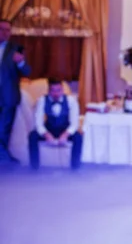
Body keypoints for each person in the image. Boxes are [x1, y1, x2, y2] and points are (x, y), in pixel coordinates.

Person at [28, 79, 82, 170]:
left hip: (64, 128)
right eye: (53, 90)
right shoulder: (42, 100)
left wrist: (66, 134)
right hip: (49, 128)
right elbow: (38, 122)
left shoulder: (71, 100)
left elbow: (74, 123)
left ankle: (75, 167)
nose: (56, 93)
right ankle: (34, 167)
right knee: (32, 136)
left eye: (59, 90)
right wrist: (46, 134)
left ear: (63, 90)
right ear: (48, 91)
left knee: (78, 137)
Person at [0, 19, 31, 166]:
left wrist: (20, 62)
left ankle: (3, 158)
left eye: (8, 30)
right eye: (2, 29)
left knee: (4, 128)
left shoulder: (16, 48)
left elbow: (27, 71)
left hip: (8, 96)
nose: (5, 33)